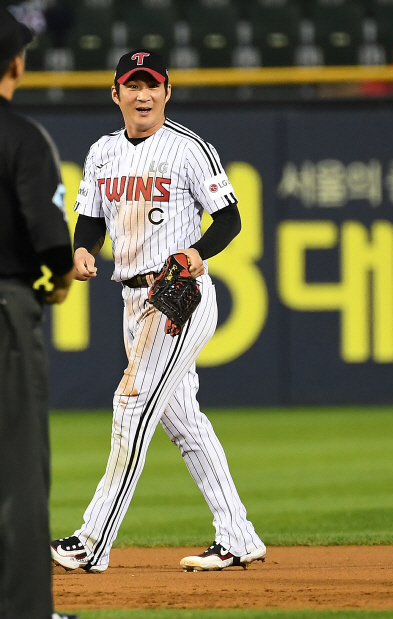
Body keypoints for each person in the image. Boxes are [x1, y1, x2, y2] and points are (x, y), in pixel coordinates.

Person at [50, 49, 266, 574]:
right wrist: (83, 250)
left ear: (167, 92)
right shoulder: (102, 152)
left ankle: (91, 540)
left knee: (131, 406)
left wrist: (198, 253)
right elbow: (91, 220)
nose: (142, 94)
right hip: (132, 299)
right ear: (116, 93)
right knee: (183, 422)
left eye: (152, 85)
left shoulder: (189, 148)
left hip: (179, 297)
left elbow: (230, 219)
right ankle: (238, 535)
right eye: (133, 85)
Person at [0, 8, 77, 619]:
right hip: (4, 314)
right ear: (16, 64)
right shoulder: (22, 137)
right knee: (18, 473)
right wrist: (52, 285)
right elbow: (52, 248)